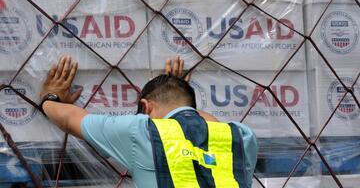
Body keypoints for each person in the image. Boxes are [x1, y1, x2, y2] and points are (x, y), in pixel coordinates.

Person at [39, 55, 258, 188]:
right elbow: (207, 124)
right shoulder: (242, 136)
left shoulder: (141, 131)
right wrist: (178, 91)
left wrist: (48, 97)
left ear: (146, 106)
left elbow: (71, 119)